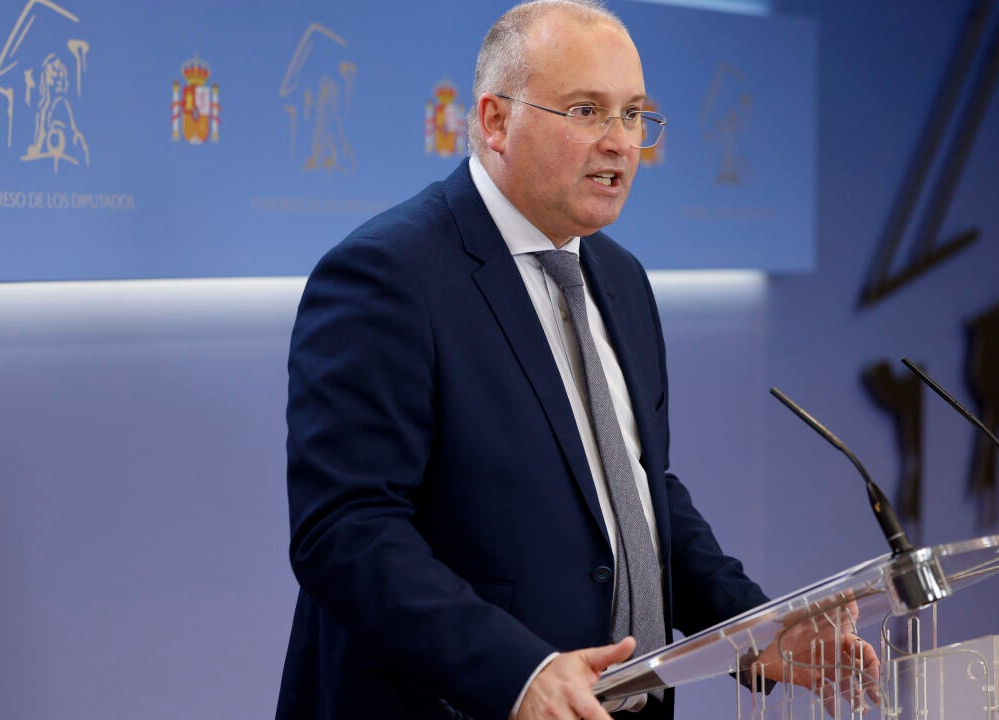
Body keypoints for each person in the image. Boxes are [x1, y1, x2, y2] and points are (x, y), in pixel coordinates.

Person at [277, 2, 877, 718]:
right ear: (496, 121)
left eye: (634, 115)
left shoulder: (620, 278)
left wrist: (752, 627)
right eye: (586, 111)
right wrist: (518, 672)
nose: (620, 143)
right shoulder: (387, 275)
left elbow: (639, 492)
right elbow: (347, 531)